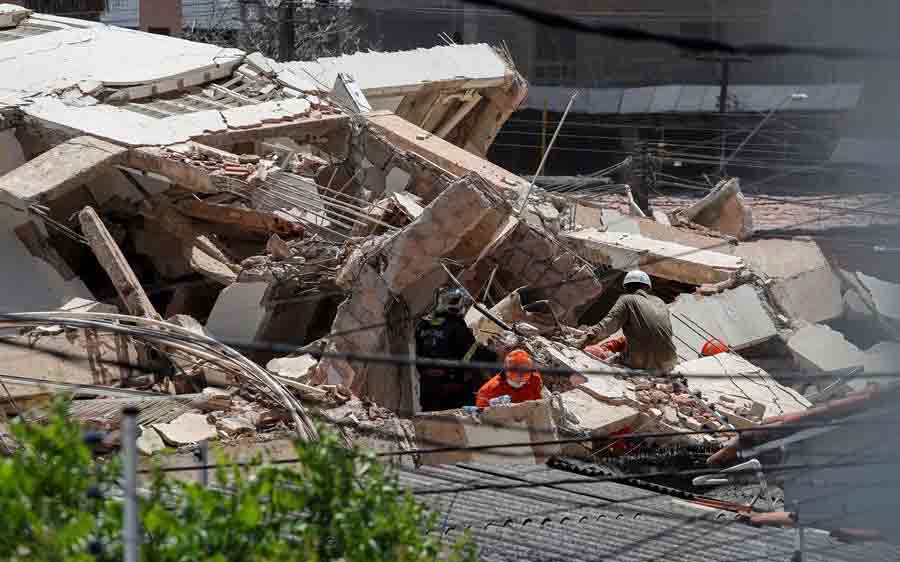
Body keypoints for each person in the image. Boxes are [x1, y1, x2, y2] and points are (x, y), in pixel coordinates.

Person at [579, 270, 678, 372]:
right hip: (669, 361)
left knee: (609, 359)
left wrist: (585, 339)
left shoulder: (627, 299)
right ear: (648, 287)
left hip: (639, 362)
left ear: (626, 287)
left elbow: (608, 324)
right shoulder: (660, 302)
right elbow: (665, 333)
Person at [415, 287, 483, 411]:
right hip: (453, 388)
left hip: (428, 387)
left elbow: (418, 357)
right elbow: (472, 356)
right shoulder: (457, 327)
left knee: (429, 419)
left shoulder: (423, 325)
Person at [476, 349, 544, 408]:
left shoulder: (535, 379)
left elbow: (537, 401)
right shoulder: (488, 390)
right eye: (516, 372)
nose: (520, 379)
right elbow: (482, 416)